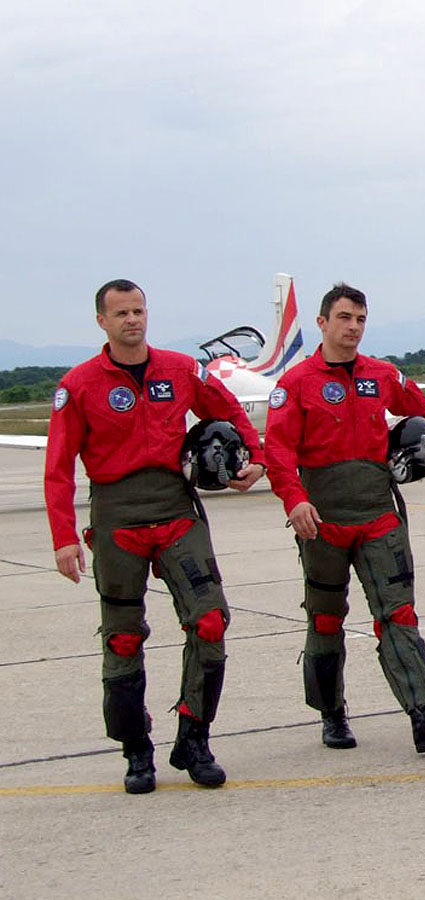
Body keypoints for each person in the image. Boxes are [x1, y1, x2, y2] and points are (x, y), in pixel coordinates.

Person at [44, 279, 265, 793]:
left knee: (210, 620)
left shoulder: (181, 369)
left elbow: (229, 411)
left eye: (138, 310)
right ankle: (136, 750)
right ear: (102, 321)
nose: (132, 320)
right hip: (117, 516)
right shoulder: (78, 385)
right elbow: (57, 466)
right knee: (122, 638)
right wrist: (63, 536)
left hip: (175, 508)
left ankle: (194, 738)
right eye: (121, 313)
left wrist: (253, 455)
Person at [265, 282, 425, 754]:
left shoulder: (382, 374)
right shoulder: (296, 383)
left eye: (360, 319)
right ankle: (331, 713)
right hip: (323, 520)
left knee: (398, 612)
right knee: (325, 620)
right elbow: (277, 450)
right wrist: (294, 500)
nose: (353, 327)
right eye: (344, 318)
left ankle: (424, 714)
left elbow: (422, 408)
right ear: (322, 323)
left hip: (377, 513)